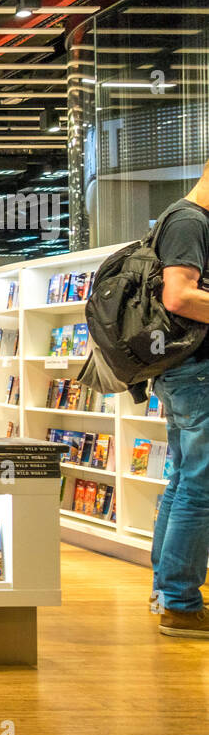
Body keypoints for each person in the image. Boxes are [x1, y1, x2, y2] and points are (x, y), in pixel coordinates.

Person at [150, 163, 209, 637]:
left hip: (186, 372)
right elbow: (180, 297)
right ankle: (180, 603)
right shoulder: (191, 221)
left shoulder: (182, 219)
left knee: (182, 481)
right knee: (200, 488)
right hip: (198, 373)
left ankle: (167, 591)